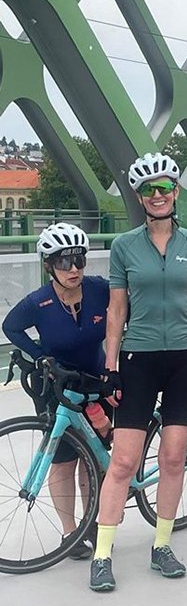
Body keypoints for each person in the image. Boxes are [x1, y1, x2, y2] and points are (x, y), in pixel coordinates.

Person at [88, 152, 187, 593]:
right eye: (148, 190)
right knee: (123, 461)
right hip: (138, 359)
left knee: (173, 458)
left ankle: (161, 546)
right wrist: (110, 367)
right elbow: (116, 308)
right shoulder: (124, 246)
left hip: (183, 358)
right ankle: (102, 555)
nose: (157, 196)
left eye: (164, 188)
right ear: (140, 198)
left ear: (175, 193)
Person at [3, 222, 110, 557]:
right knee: (63, 460)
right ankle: (70, 533)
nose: (74, 269)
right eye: (64, 262)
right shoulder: (38, 302)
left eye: (79, 259)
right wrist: (41, 358)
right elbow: (11, 327)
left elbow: (126, 312)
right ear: (49, 265)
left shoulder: (98, 289)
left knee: (94, 456)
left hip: (95, 381)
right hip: (57, 387)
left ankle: (93, 521)